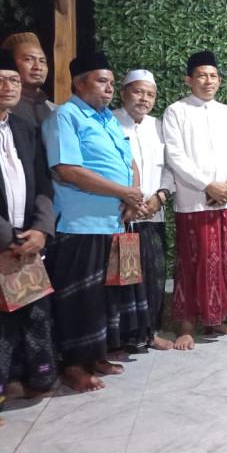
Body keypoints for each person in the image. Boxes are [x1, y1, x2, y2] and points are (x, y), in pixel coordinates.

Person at [42, 51, 142, 391]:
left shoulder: (107, 119)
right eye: (102, 81)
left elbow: (129, 161)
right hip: (79, 224)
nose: (109, 88)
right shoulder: (65, 116)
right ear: (79, 82)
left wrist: (132, 195)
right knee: (79, 299)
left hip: (112, 222)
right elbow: (67, 170)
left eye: (111, 83)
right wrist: (124, 192)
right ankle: (72, 365)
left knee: (103, 298)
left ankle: (96, 354)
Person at [163, 51, 227, 350]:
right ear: (189, 80)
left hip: (224, 201)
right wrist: (207, 185)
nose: (208, 81)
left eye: (213, 76)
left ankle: (217, 318)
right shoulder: (176, 111)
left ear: (219, 80)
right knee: (191, 260)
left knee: (222, 261)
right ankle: (186, 324)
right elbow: (175, 156)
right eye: (201, 76)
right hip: (193, 200)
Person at [0, 53, 56, 422]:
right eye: (1, 80)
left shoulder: (22, 128)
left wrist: (41, 230)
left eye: (13, 80)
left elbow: (43, 184)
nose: (8, 87)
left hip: (28, 241)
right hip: (6, 243)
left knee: (31, 316)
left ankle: (26, 381)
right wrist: (8, 239)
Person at [113, 69, 176, 351]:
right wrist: (130, 201)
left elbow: (170, 168)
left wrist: (160, 196)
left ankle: (150, 332)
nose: (144, 99)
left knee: (153, 274)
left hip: (153, 214)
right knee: (123, 278)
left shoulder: (158, 126)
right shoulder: (110, 123)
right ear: (123, 93)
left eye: (150, 94)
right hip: (122, 217)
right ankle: (122, 338)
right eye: (138, 92)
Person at [0, 32, 56, 126]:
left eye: (42, 61)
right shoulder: (5, 108)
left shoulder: (55, 110)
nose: (38, 67)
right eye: (28, 59)